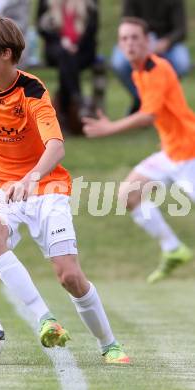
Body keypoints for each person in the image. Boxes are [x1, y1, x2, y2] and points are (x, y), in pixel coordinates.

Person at [0, 16, 130, 364]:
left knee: (69, 276)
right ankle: (46, 319)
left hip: (45, 184)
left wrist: (31, 177)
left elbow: (56, 146)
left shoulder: (33, 92)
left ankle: (110, 345)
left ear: (6, 54)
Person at [83, 17, 194, 283]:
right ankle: (173, 248)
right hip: (170, 152)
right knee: (129, 194)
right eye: (124, 38)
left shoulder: (158, 68)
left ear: (148, 41)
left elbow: (148, 115)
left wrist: (109, 128)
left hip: (189, 153)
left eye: (135, 38)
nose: (130, 43)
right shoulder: (138, 71)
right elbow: (165, 113)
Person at [37, 0, 106, 135]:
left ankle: (63, 114)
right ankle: (78, 101)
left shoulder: (90, 3)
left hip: (83, 49)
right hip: (55, 47)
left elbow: (93, 27)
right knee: (65, 56)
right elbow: (42, 28)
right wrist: (62, 42)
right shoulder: (46, 2)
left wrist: (77, 45)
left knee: (67, 61)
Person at [111, 0, 191, 114]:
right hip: (138, 39)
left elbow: (181, 30)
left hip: (166, 41)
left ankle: (162, 99)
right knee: (119, 61)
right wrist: (140, 43)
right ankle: (143, 99)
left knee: (181, 62)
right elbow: (126, 24)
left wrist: (166, 42)